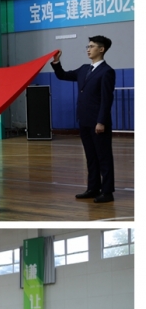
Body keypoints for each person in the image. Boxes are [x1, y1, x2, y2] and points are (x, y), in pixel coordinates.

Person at [51, 36, 116, 203]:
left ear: (101, 49)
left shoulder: (107, 71)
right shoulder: (84, 69)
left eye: (92, 46)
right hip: (84, 120)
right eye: (88, 46)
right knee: (90, 156)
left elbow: (106, 99)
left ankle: (107, 192)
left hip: (98, 122)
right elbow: (63, 75)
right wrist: (56, 62)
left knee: (104, 157)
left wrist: (101, 121)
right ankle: (93, 188)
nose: (88, 49)